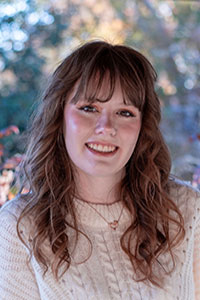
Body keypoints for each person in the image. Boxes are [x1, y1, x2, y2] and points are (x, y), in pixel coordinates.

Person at [0, 40, 199, 300]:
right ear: (59, 117)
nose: (106, 126)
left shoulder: (186, 211)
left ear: (142, 127)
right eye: (89, 108)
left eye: (125, 112)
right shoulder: (20, 227)